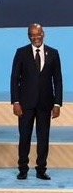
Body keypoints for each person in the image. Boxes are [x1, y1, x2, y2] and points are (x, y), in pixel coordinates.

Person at [11, 24, 63, 180]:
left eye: (38, 34)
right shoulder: (21, 53)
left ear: (43, 34)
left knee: (43, 137)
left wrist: (57, 104)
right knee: (24, 136)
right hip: (25, 104)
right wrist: (15, 101)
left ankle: (41, 169)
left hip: (45, 103)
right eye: (32, 35)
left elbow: (58, 80)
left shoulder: (53, 53)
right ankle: (23, 168)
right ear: (29, 36)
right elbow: (14, 79)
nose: (36, 37)